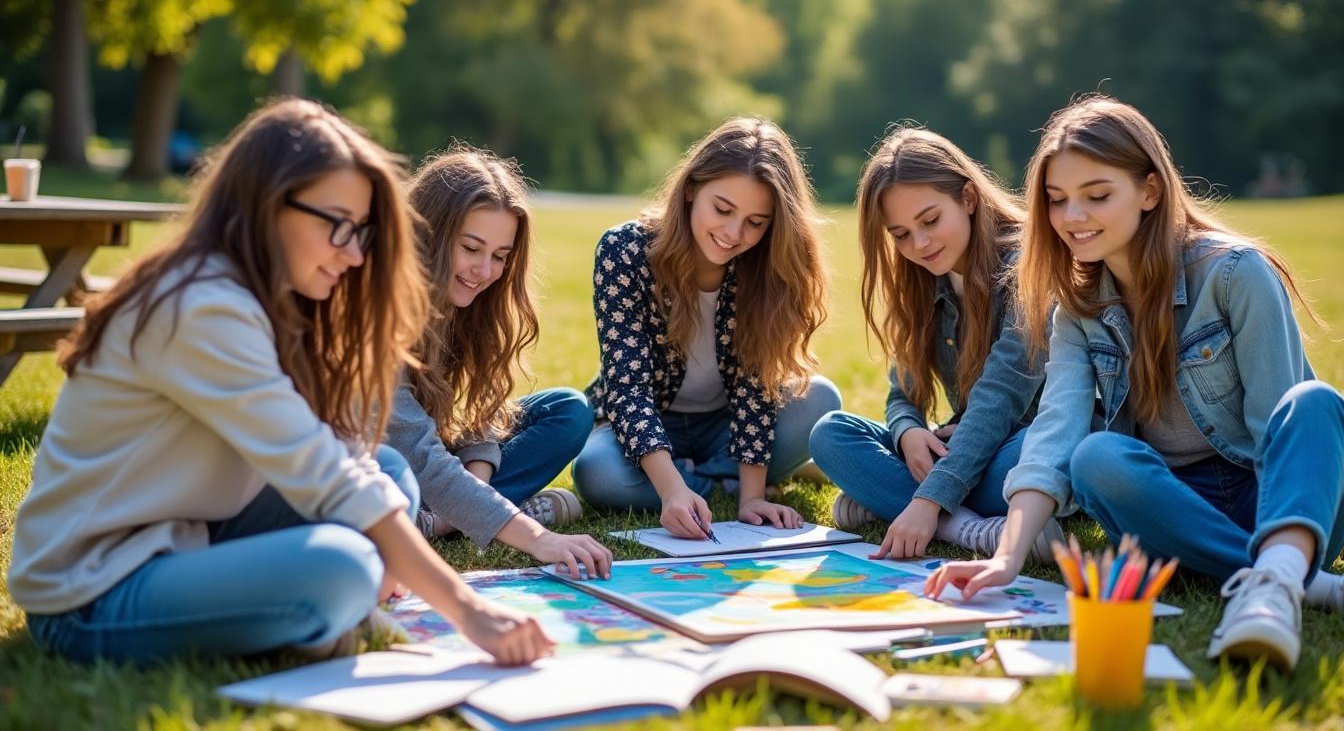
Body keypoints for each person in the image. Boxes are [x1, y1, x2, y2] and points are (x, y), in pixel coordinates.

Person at [8, 99, 553, 665]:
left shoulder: (281, 296)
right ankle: (321, 612)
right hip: (90, 588)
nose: (353, 253)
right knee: (343, 568)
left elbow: (349, 451)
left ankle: (317, 613)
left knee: (388, 472)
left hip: (188, 533)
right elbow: (319, 469)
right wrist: (468, 611)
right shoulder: (200, 306)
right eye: (338, 227)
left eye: (361, 232)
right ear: (268, 205)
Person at [925, 96, 1344, 670]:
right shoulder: (1075, 308)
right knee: (1096, 456)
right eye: (1056, 200)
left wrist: (1280, 525)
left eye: (1097, 196)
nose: (1073, 217)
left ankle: (1277, 577)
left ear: (1149, 191)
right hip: (1174, 508)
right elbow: (1056, 432)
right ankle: (1292, 578)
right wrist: (1007, 557)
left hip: (1285, 500)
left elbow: (1276, 431)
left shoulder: (1235, 273)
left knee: (1315, 402)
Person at [573, 117, 840, 538]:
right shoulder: (623, 251)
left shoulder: (765, 266)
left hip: (725, 426)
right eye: (723, 209)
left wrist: (752, 500)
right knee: (597, 472)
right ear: (692, 188)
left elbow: (759, 384)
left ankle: (729, 481)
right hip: (647, 420)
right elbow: (627, 388)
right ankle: (706, 482)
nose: (734, 234)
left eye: (756, 222)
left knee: (822, 400)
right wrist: (670, 489)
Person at [809, 126, 1061, 560]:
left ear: (967, 198)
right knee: (831, 434)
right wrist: (908, 435)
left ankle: (897, 501)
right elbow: (901, 394)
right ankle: (969, 529)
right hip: (962, 451)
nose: (919, 244)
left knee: (1041, 451)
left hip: (1020, 448)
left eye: (929, 221)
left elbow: (999, 398)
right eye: (901, 234)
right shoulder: (921, 279)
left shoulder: (1028, 268)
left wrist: (929, 498)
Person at [389, 147, 611, 579]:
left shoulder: (469, 302)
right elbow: (415, 450)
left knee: (567, 410)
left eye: (500, 255)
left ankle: (452, 518)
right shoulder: (383, 310)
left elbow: (482, 413)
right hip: (387, 462)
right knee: (396, 469)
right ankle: (488, 515)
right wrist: (538, 538)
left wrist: (479, 474)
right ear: (428, 235)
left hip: (434, 459)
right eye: (471, 248)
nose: (484, 270)